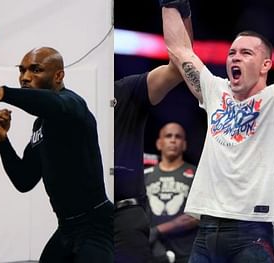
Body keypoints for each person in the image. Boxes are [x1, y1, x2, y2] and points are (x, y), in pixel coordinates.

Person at [160, 0, 274, 261]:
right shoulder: (216, 91)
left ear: (266, 65)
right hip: (205, 231)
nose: (235, 57)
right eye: (232, 53)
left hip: (251, 232)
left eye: (246, 53)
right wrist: (169, 3)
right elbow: (180, 50)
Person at [0, 47, 113, 262]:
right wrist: (1, 139)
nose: (25, 77)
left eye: (36, 70)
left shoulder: (72, 105)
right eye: (22, 70)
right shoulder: (40, 125)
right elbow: (24, 180)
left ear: (58, 76)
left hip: (96, 226)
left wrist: (1, 93)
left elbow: (51, 104)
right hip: (66, 228)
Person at [113, 1, 193, 262]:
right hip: (80, 220)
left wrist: (176, 7)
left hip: (127, 219)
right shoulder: (58, 105)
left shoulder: (124, 91)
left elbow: (181, 66)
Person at [145, 122, 199, 263]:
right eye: (168, 136)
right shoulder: (145, 175)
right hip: (153, 250)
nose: (173, 140)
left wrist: (158, 230)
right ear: (159, 143)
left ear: (184, 144)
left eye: (178, 136)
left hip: (185, 251)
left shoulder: (196, 174)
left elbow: (196, 215)